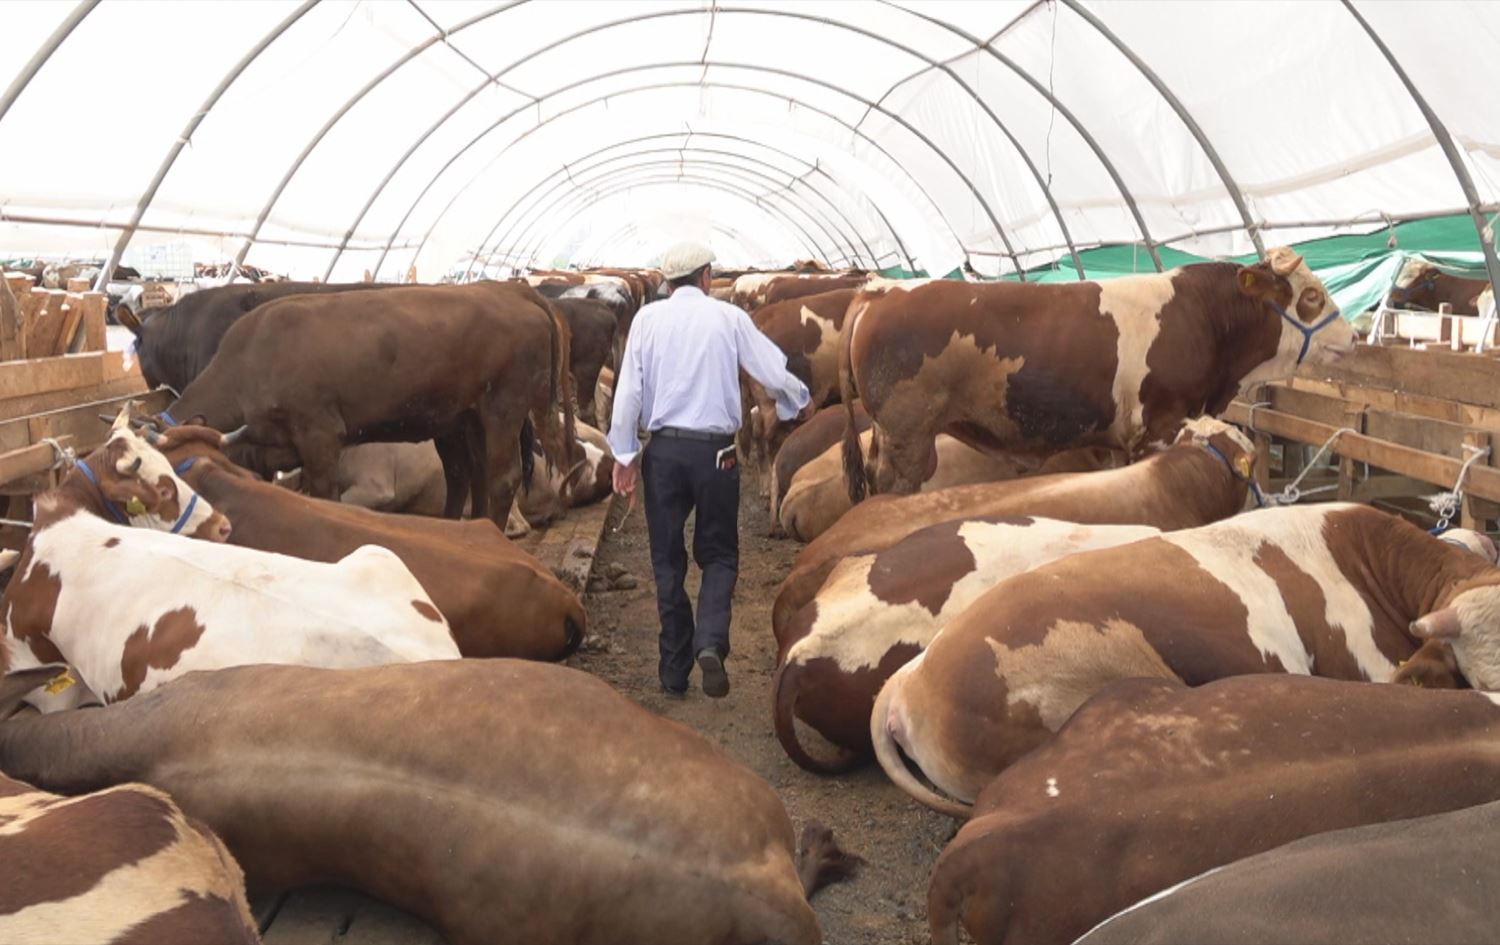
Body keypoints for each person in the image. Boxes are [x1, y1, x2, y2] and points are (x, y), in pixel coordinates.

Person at [609, 243, 812, 699]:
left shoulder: (646, 321)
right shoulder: (728, 318)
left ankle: (673, 670)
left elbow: (628, 395)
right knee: (719, 554)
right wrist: (799, 399)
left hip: (663, 453)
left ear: (667, 282)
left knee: (666, 560)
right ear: (705, 278)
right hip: (718, 453)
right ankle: (710, 643)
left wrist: (624, 456)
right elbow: (770, 370)